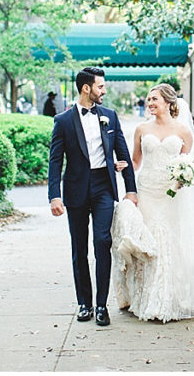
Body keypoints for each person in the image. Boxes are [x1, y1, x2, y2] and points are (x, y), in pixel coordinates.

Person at [110, 83, 194, 322]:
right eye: (148, 99)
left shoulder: (183, 131)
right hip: (148, 190)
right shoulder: (141, 129)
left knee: (170, 241)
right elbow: (136, 162)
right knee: (149, 242)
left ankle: (171, 297)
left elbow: (189, 163)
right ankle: (145, 297)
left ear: (169, 103)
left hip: (171, 193)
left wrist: (185, 177)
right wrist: (123, 166)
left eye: (154, 99)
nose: (149, 103)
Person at [48, 66, 137, 327]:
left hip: (103, 188)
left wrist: (130, 189)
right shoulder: (63, 121)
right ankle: (84, 303)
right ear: (86, 88)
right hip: (75, 190)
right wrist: (54, 195)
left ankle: (101, 305)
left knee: (102, 241)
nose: (104, 90)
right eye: (100, 86)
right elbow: (55, 161)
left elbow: (123, 155)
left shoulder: (110, 116)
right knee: (79, 249)